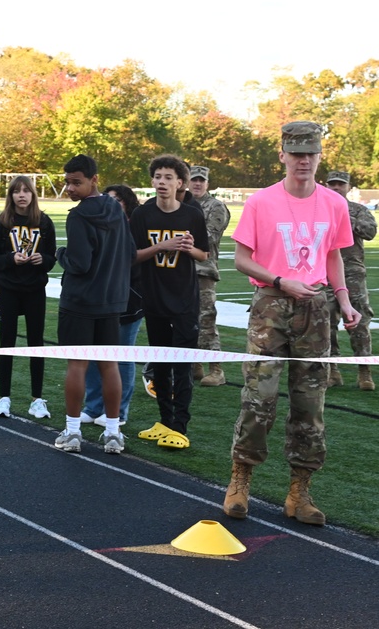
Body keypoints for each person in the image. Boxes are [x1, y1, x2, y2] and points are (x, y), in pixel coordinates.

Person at [223, 121, 360, 527]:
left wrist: (344, 300)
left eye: (310, 153)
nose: (303, 160)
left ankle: (299, 491)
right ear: (282, 155)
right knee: (258, 398)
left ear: (319, 157)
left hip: (316, 309)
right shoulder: (261, 202)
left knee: (310, 404)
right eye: (296, 152)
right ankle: (240, 479)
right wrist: (280, 281)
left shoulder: (334, 204)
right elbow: (241, 259)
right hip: (271, 305)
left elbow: (334, 256)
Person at [53, 154, 135, 455]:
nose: (71, 189)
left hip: (80, 302)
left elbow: (79, 262)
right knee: (109, 365)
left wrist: (60, 253)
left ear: (93, 180)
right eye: (67, 183)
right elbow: (129, 255)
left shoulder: (77, 216)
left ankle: (73, 432)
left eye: (77, 182)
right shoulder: (116, 209)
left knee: (77, 364)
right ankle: (113, 433)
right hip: (112, 302)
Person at [131, 155, 208, 450]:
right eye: (157, 177)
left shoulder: (192, 214)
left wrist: (189, 249)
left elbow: (204, 254)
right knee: (161, 364)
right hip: (154, 298)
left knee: (182, 364)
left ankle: (180, 426)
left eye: (168, 177)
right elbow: (134, 256)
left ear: (180, 183)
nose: (161, 182)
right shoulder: (142, 215)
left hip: (185, 299)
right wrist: (161, 246)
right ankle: (164, 421)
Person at [0, 176, 57, 419]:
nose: (22, 195)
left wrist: (42, 260)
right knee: (7, 342)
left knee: (36, 343)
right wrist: (10, 259)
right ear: (11, 195)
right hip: (8, 289)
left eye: (26, 191)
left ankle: (37, 399)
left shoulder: (44, 222)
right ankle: (4, 397)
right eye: (17, 191)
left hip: (35, 289)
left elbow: (51, 258)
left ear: (33, 194)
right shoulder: (1, 223)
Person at [79, 185, 144, 426]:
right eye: (107, 198)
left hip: (130, 299)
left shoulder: (133, 226)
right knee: (96, 354)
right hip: (100, 300)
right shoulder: (98, 224)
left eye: (117, 200)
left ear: (128, 204)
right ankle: (94, 406)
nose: (111, 203)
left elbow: (132, 258)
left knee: (122, 355)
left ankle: (119, 411)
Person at [323, 170, 375, 391]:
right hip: (323, 272)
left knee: (359, 322)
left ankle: (364, 370)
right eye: (332, 184)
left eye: (340, 185)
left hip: (352, 273)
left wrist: (346, 216)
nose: (336, 188)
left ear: (347, 187)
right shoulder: (318, 209)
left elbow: (370, 231)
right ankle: (332, 369)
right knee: (325, 323)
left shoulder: (358, 210)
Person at [188, 165, 232, 387]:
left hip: (203, 269)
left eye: (201, 180)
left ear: (207, 183)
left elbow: (208, 238)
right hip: (180, 270)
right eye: (193, 179)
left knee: (206, 318)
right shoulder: (183, 204)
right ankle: (196, 365)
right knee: (185, 319)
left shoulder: (215, 207)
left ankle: (216, 369)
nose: (197, 183)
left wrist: (178, 237)